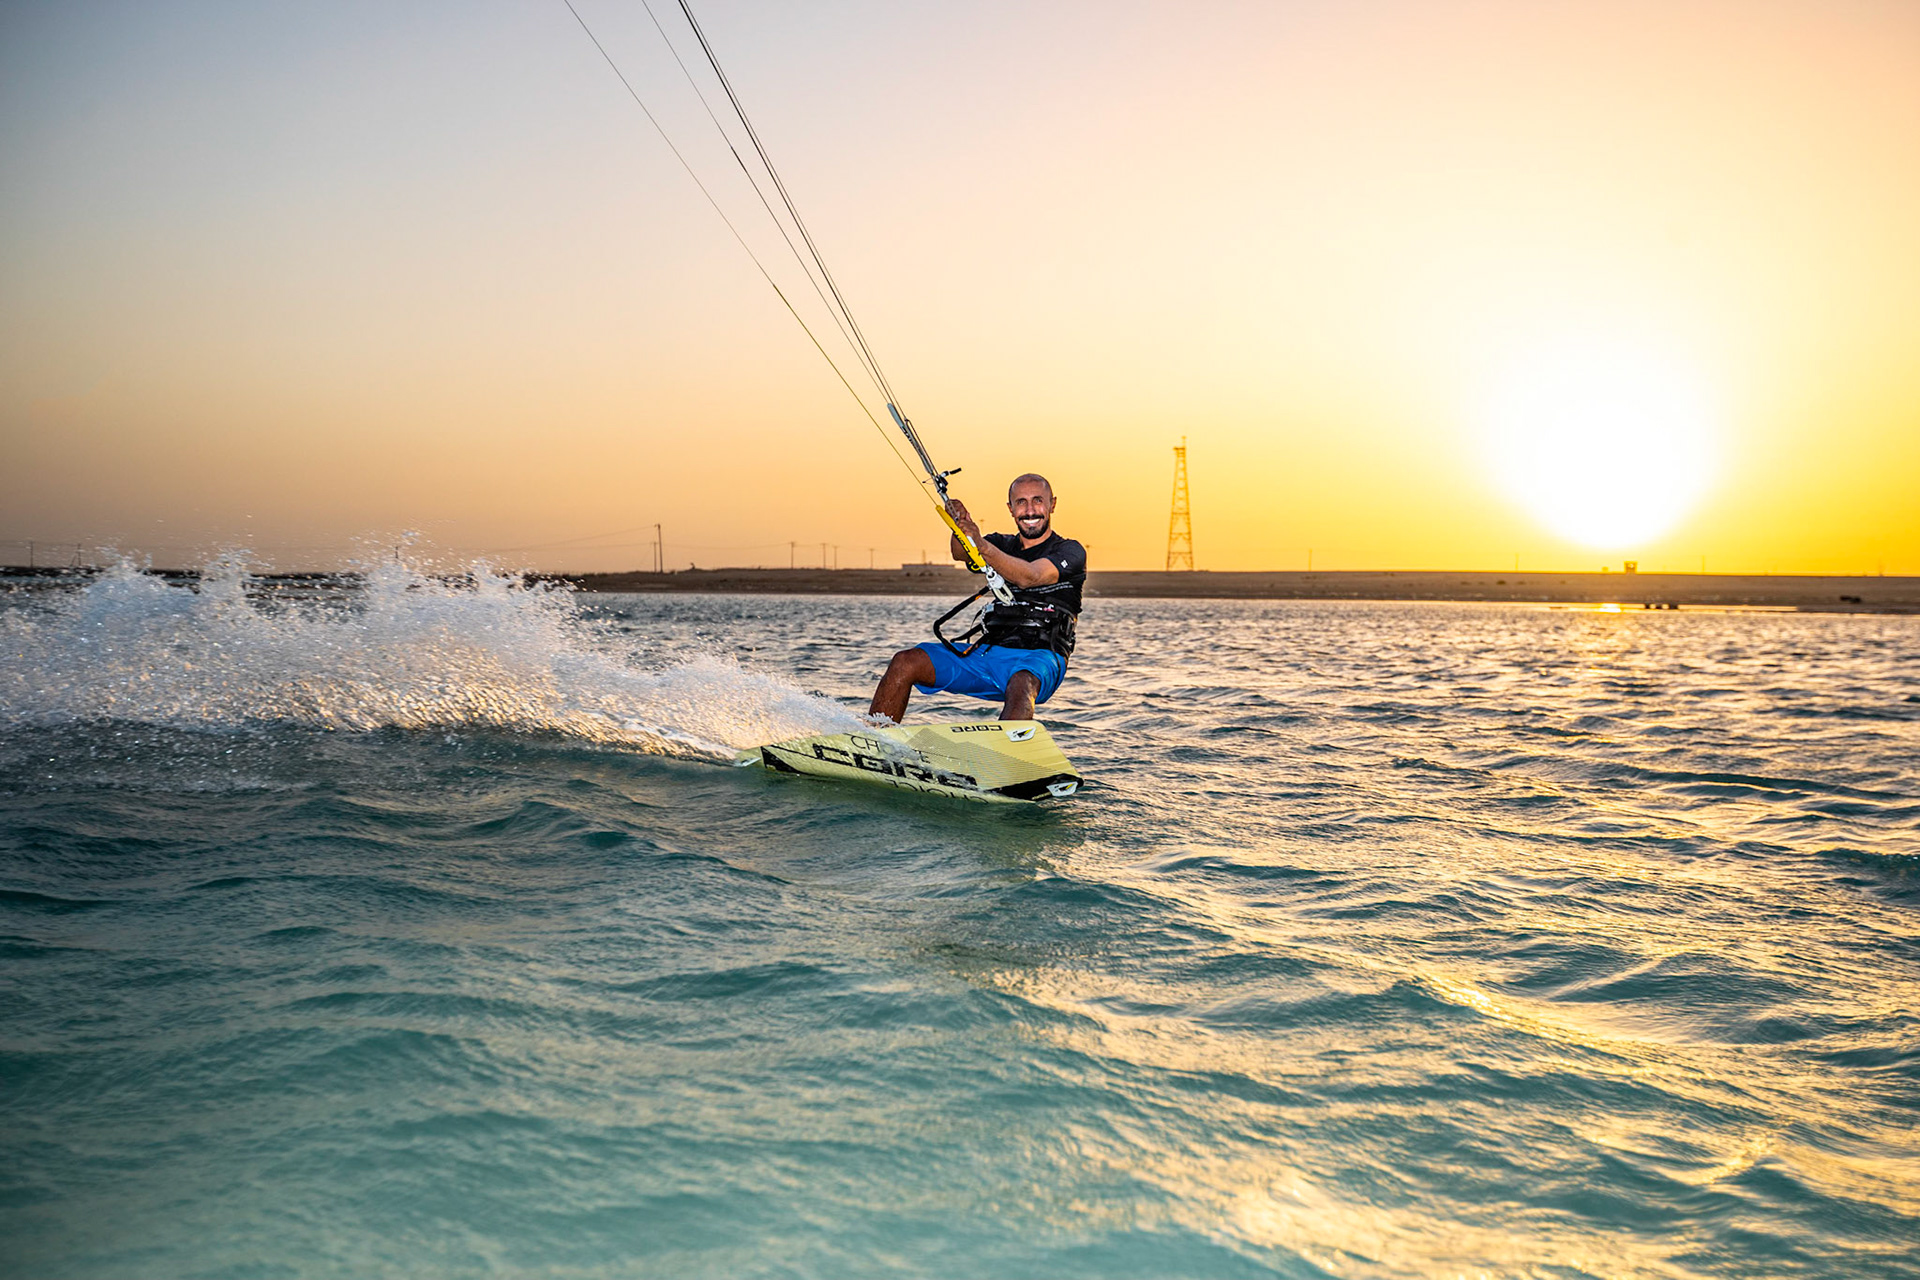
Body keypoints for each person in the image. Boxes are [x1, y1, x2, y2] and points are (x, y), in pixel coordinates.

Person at [869, 473, 1087, 723]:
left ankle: (1006, 756)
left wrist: (982, 545)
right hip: (988, 654)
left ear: (1052, 504)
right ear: (1011, 509)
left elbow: (1031, 576)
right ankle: (874, 741)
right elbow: (960, 552)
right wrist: (959, 524)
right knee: (906, 661)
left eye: (1038, 500)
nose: (1030, 510)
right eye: (1021, 502)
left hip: (1041, 658)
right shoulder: (1000, 543)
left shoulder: (1070, 551)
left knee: (1021, 682)